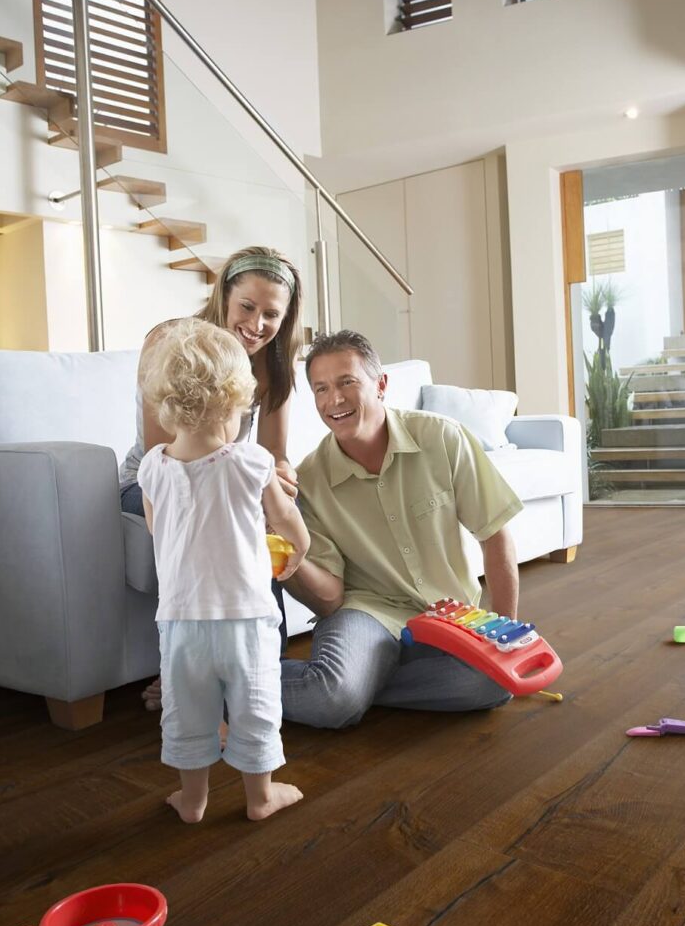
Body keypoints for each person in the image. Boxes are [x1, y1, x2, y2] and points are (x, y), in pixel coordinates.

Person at [281, 330, 524, 730]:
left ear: (380, 385)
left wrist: (505, 633)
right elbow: (328, 600)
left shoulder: (444, 438)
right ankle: (217, 686)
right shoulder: (310, 479)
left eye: (347, 382)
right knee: (333, 699)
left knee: (494, 682)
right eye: (321, 389)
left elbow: (494, 535)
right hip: (367, 611)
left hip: (450, 613)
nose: (334, 400)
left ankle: (354, 687)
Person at [137, 318, 310, 823]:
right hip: (246, 618)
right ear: (235, 404)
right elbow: (285, 518)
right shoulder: (251, 461)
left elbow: (156, 529)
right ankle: (260, 797)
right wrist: (298, 547)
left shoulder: (152, 466)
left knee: (188, 714)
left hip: (180, 621)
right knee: (255, 708)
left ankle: (193, 801)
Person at [118, 245, 304, 705]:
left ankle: (261, 659)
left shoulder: (272, 361)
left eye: (271, 315)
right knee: (220, 518)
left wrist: (276, 476)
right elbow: (168, 451)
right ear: (224, 295)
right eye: (247, 306)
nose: (257, 325)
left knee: (267, 513)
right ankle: (186, 667)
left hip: (225, 476)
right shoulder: (171, 342)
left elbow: (274, 452)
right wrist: (242, 487)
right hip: (158, 478)